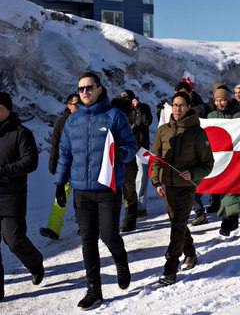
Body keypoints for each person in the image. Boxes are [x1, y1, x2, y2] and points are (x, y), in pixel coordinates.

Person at [55, 72, 137, 309]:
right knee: (87, 239)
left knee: (109, 235)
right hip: (81, 190)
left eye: (89, 87)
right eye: (80, 89)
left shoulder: (114, 116)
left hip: (107, 188)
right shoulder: (72, 121)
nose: (85, 92)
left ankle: (121, 261)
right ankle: (94, 290)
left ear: (100, 88)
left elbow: (130, 146)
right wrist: (60, 184)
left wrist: (121, 154)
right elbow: (65, 154)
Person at [0, 92, 44, 307]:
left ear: (8, 109)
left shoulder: (21, 133)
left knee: (14, 240)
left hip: (11, 197)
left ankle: (35, 263)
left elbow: (30, 162)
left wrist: (1, 172)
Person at [151, 91, 214, 285]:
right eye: (175, 105)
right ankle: (191, 253)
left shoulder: (197, 132)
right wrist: (156, 181)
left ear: (188, 107)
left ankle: (170, 268)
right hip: (167, 186)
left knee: (178, 224)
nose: (177, 109)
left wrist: (192, 174)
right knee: (177, 223)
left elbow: (208, 163)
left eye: (182, 105)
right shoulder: (163, 131)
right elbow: (156, 158)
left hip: (186, 187)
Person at [40, 93, 80, 240]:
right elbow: (55, 145)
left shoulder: (88, 119)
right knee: (60, 196)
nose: (78, 106)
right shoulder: (61, 122)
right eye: (75, 104)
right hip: (66, 165)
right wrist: (53, 164)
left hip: (83, 165)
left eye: (80, 103)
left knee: (82, 197)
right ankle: (53, 229)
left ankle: (84, 225)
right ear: (68, 105)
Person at [207, 86, 240, 236]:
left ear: (228, 100)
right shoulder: (210, 116)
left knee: (231, 189)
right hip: (218, 158)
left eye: (223, 100)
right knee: (223, 189)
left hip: (235, 157)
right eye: (217, 100)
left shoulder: (238, 114)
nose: (220, 103)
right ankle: (231, 219)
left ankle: (228, 221)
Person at [175, 80, 211, 225]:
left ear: (190, 93)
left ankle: (199, 211)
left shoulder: (201, 108)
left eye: (184, 93)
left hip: (196, 151)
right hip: (180, 151)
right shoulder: (175, 108)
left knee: (192, 182)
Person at [120, 90, 153, 231]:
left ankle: (140, 205)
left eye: (128, 98)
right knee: (129, 177)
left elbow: (146, 122)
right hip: (128, 147)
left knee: (143, 176)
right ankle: (131, 205)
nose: (126, 101)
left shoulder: (143, 108)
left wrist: (138, 108)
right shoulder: (121, 111)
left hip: (142, 147)